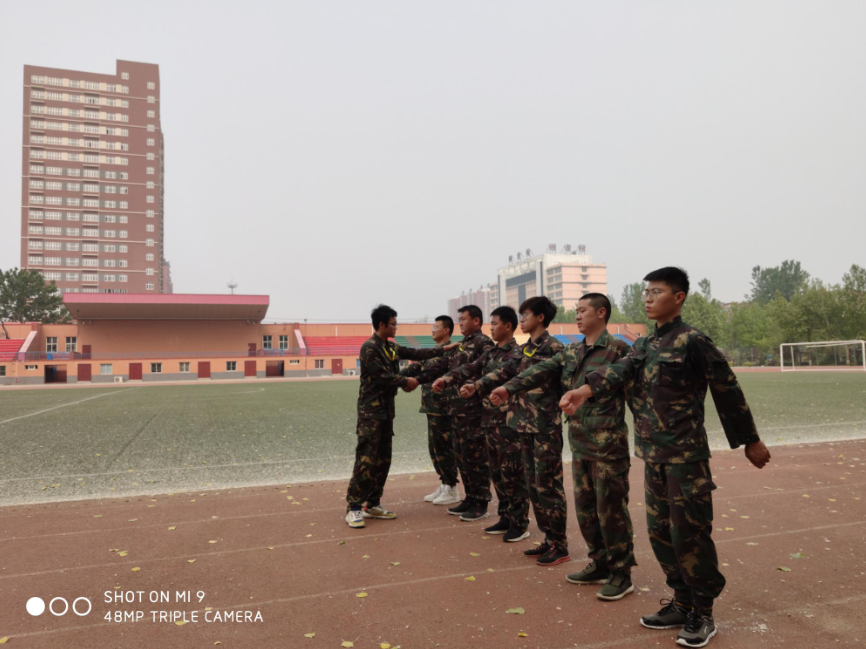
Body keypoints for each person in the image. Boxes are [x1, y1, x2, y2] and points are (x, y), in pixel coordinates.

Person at [560, 268, 772, 647]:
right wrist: (585, 391)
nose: (648, 298)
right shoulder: (645, 344)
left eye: (656, 292)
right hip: (652, 454)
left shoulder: (693, 341)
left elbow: (727, 389)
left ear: (678, 298)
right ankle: (681, 600)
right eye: (646, 292)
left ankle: (703, 614)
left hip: (685, 457)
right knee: (661, 535)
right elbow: (621, 368)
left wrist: (749, 440)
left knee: (689, 534)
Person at [491, 293, 636, 594]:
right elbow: (538, 370)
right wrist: (508, 387)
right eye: (577, 310)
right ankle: (599, 562)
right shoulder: (571, 352)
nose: (578, 315)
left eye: (583, 310)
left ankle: (621, 573)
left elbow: (635, 394)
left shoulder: (618, 349)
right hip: (580, 444)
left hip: (608, 447)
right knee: (586, 510)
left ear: (601, 313)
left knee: (611, 510)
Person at [476, 295, 572, 567]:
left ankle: (560, 544)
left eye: (525, 315)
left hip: (545, 428)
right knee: (534, 485)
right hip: (522, 426)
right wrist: (480, 385)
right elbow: (505, 371)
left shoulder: (553, 348)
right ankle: (549, 539)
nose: (521, 320)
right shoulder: (523, 349)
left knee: (549, 486)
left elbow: (558, 382)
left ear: (540, 317)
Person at [345, 304, 451, 529]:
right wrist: (407, 381)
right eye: (393, 323)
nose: (396, 327)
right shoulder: (370, 348)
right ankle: (353, 507)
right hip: (370, 414)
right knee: (366, 460)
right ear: (382, 324)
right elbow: (382, 376)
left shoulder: (390, 347)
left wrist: (444, 350)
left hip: (386, 413)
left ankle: (372, 504)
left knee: (383, 460)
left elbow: (416, 353)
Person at [432, 306, 529, 535]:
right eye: (491, 323)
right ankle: (505, 517)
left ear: (508, 325)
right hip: (489, 419)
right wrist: (447, 378)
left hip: (507, 422)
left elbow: (498, 375)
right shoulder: (492, 352)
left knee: (511, 473)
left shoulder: (516, 353)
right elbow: (471, 367)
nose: (492, 327)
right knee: (496, 471)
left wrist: (476, 386)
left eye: (495, 323)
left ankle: (519, 522)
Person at [412, 305, 495, 521]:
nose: (460, 322)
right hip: (456, 410)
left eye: (464, 319)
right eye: (459, 319)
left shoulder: (483, 343)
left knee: (476, 456)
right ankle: (470, 498)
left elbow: (482, 370)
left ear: (476, 321)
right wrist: (416, 380)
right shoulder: (463, 344)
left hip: (473, 410)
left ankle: (481, 501)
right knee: (462, 455)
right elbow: (441, 366)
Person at [409, 315, 462, 506]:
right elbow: (415, 368)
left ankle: (452, 488)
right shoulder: (432, 352)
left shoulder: (452, 351)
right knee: (434, 448)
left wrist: (415, 380)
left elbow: (434, 373)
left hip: (444, 407)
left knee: (444, 447)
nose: (432, 329)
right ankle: (445, 483)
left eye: (435, 326)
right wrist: (393, 379)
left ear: (446, 330)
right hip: (431, 407)